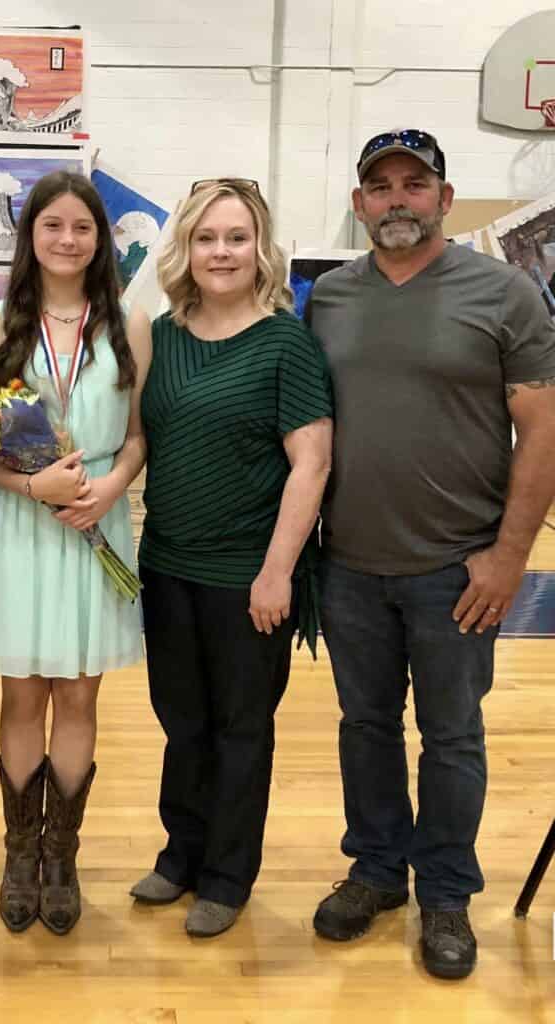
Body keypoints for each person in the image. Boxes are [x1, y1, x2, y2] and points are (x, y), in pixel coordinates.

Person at [307, 129, 555, 980]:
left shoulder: (505, 292)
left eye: (416, 184)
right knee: (365, 728)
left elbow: (544, 425)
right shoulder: (331, 298)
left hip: (459, 568)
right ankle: (377, 872)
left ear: (445, 198)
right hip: (348, 566)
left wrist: (508, 554)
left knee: (451, 737)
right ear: (359, 204)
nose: (398, 200)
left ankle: (446, 893)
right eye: (380, 187)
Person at [129, 179, 333, 937]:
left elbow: (311, 463)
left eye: (237, 238)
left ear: (260, 249)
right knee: (182, 720)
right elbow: (141, 437)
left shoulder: (286, 341)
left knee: (241, 728)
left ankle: (227, 873)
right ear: (187, 247)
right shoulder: (164, 334)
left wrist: (278, 570)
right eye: (208, 238)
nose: (222, 252)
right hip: (168, 564)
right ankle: (180, 854)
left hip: (249, 575)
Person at [0, 170, 151, 935]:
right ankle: (20, 855)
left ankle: (62, 856)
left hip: (99, 520)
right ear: (31, 236)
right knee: (23, 695)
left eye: (83, 227)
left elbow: (140, 435)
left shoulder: (130, 324)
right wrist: (31, 487)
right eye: (53, 227)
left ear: (100, 238)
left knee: (79, 693)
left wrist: (109, 489)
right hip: (23, 525)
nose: (68, 239)